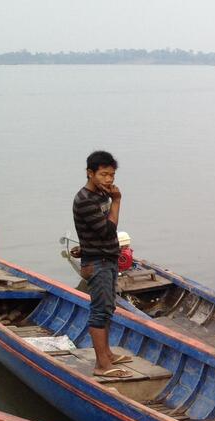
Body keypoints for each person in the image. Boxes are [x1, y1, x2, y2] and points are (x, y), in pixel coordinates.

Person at [72, 150, 130, 379]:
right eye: (103, 174)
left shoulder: (101, 196)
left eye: (112, 175)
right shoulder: (85, 200)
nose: (108, 180)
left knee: (107, 308)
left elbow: (97, 233)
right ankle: (102, 366)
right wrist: (117, 200)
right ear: (90, 173)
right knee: (99, 311)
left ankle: (107, 354)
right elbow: (108, 229)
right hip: (98, 262)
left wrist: (110, 198)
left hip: (106, 257)